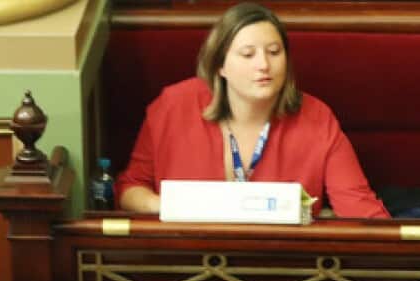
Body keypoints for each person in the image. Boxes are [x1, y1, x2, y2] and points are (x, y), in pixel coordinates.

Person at [116, 2, 389, 219]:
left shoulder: (316, 116)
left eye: (274, 51)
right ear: (220, 66)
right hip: (189, 261)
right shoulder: (174, 105)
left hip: (284, 268)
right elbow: (130, 188)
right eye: (248, 54)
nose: (264, 65)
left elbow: (359, 207)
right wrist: (168, 208)